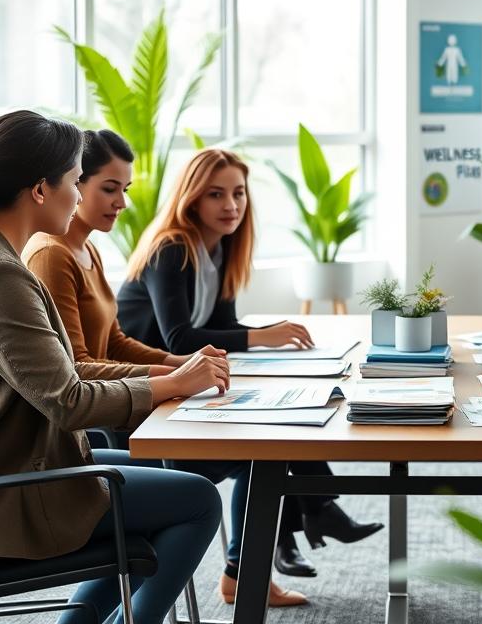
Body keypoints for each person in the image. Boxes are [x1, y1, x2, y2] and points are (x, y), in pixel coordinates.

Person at [0, 110, 231, 624]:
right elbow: (69, 403)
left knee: (163, 482)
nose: (78, 196)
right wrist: (168, 384)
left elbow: (65, 371)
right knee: (199, 500)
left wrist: (170, 378)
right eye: (75, 181)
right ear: (39, 190)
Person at [23, 130, 306, 606]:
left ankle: (246, 572)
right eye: (107, 188)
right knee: (233, 472)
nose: (122, 203)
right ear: (72, 184)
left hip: (127, 407)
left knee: (264, 448)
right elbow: (78, 368)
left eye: (125, 190)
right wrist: (174, 378)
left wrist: (186, 364)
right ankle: (246, 571)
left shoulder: (87, 251)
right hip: (106, 424)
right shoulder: (51, 254)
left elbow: (115, 342)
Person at [116, 148, 384, 591]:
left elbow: (222, 326)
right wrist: (263, 335)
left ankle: (285, 540)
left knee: (286, 423)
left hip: (186, 393)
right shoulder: (171, 249)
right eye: (216, 194)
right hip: (148, 410)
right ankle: (288, 536)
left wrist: (269, 335)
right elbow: (178, 339)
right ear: (191, 199)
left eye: (238, 193)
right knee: (270, 445)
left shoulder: (219, 248)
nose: (231, 205)